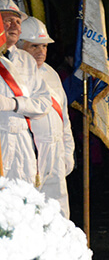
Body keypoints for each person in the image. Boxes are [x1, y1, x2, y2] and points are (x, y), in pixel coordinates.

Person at [18, 17, 75, 217]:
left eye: (44, 46)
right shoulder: (12, 74)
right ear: (19, 45)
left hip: (54, 152)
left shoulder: (51, 73)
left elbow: (63, 116)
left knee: (58, 214)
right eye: (34, 46)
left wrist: (67, 151)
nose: (41, 51)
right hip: (28, 153)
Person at [0, 0, 50, 184]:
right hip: (0, 137)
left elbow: (43, 103)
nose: (14, 25)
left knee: (24, 200)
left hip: (22, 139)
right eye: (8, 20)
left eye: (18, 22)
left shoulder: (26, 59)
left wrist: (13, 103)